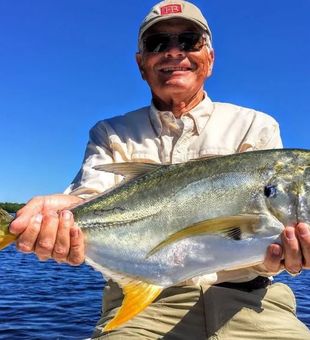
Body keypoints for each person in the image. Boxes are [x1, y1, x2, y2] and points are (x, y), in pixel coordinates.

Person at [10, 1, 310, 339]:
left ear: (209, 58)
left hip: (252, 301)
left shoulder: (255, 125)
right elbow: (87, 199)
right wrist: (59, 223)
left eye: (188, 40)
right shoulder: (110, 133)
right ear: (141, 63)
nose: (173, 52)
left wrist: (283, 257)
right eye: (157, 44)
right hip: (146, 307)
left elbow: (261, 248)